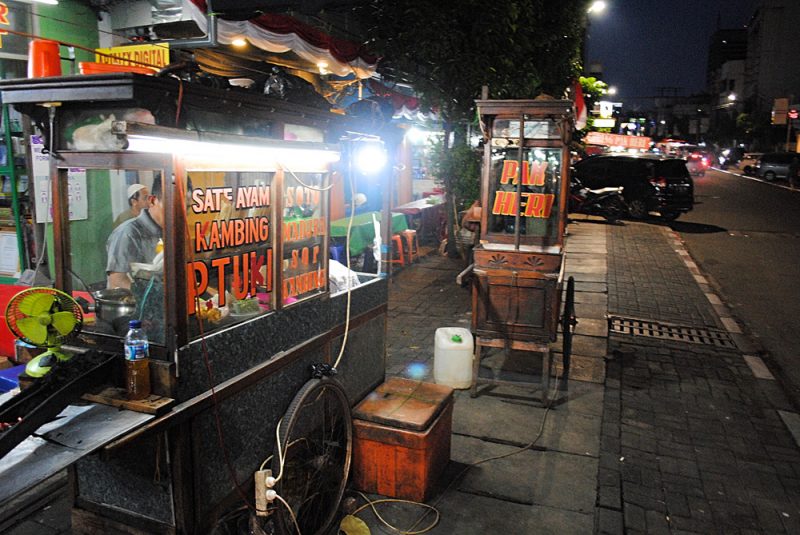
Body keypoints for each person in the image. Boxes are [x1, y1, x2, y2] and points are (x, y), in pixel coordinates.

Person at [106, 176, 163, 289]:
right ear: (153, 200)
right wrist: (153, 298)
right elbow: (117, 279)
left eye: (187, 207)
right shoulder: (127, 231)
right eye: (144, 198)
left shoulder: (170, 230)